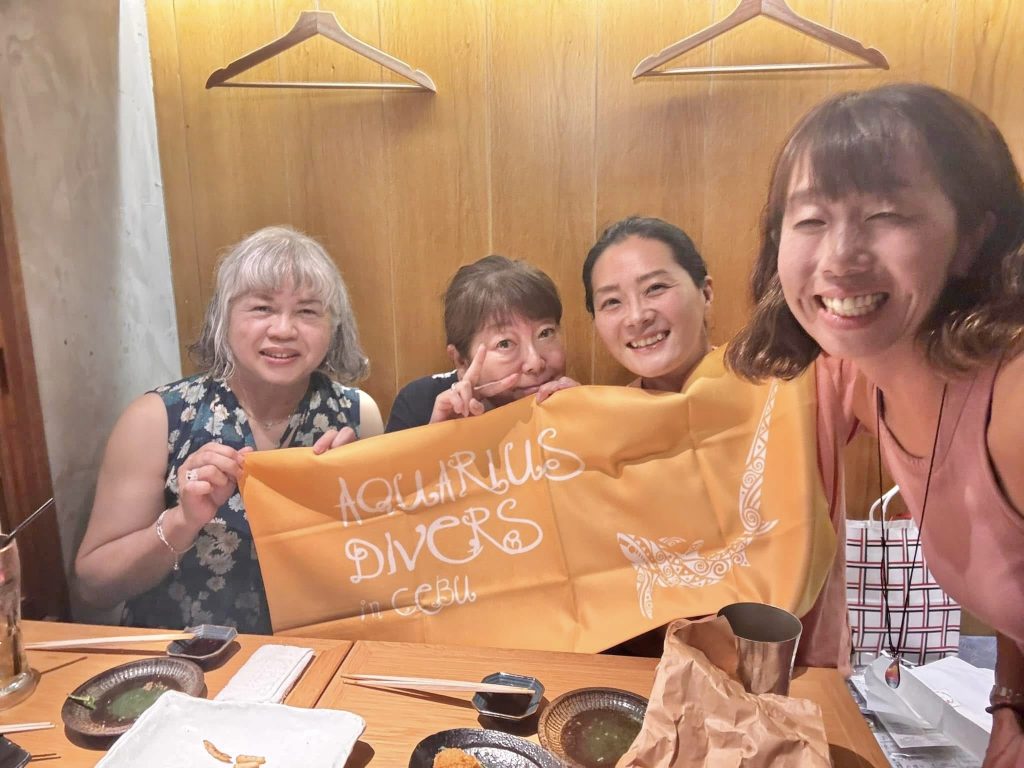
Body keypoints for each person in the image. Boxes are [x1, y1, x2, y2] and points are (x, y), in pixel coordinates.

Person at [725, 83, 1024, 766]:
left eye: (886, 214)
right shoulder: (864, 380)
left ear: (973, 236)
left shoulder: (1012, 398)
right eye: (810, 220)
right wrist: (1010, 701)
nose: (840, 257)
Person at [76, 226, 384, 633]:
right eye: (262, 308)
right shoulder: (157, 419)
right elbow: (94, 586)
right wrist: (183, 520)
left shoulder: (357, 415)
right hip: (187, 658)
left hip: (318, 651)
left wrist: (350, 511)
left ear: (334, 327)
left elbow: (382, 565)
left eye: (308, 311)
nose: (284, 329)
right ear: (223, 320)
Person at [386, 254, 577, 432]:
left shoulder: (570, 401)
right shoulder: (418, 405)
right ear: (462, 361)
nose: (535, 363)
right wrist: (441, 439)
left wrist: (584, 421)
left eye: (545, 333)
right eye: (505, 344)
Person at [583, 216, 713, 391]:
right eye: (612, 301)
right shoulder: (608, 408)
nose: (636, 317)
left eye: (655, 288)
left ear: (706, 292)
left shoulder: (751, 392)